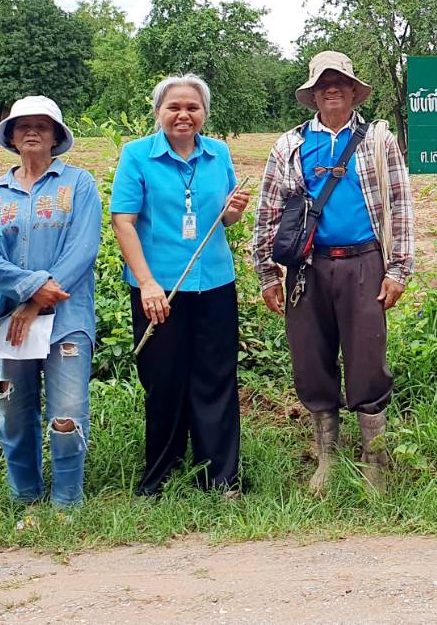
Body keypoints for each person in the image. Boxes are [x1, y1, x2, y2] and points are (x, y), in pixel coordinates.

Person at [253, 51, 415, 493]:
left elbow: (400, 204)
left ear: (353, 90)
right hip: (307, 268)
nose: (331, 89)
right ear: (313, 94)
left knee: (367, 360)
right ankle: (327, 456)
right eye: (323, 84)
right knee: (310, 359)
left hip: (365, 262)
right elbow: (269, 210)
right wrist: (268, 273)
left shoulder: (378, 140)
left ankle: (374, 458)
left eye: (339, 82)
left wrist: (399, 269)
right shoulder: (290, 146)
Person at [110, 74, 252, 495]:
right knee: (163, 379)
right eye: (174, 107)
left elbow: (225, 219)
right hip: (159, 289)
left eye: (193, 107)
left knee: (216, 377)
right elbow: (123, 222)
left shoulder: (218, 153)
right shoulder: (137, 155)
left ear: (204, 112)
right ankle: (161, 474)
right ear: (158, 112)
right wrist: (147, 283)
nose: (183, 115)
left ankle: (221, 477)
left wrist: (234, 210)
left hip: (215, 283)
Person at [0, 96, 102, 508]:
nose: (32, 131)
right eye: (22, 125)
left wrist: (35, 303)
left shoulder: (78, 184)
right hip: (8, 320)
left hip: (67, 318)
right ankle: (24, 496)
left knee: (67, 414)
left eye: (42, 126)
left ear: (56, 136)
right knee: (13, 411)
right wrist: (30, 288)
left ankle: (67, 502)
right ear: (11, 137)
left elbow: (83, 250)